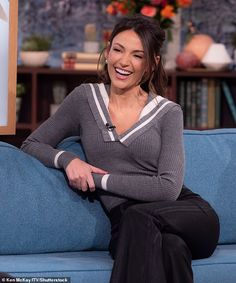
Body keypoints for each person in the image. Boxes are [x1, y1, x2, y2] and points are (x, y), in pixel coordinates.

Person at [21, 15, 220, 283]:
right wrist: (67, 160)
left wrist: (99, 179)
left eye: (137, 55)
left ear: (151, 64)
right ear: (108, 50)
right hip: (127, 225)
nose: (124, 62)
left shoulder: (167, 112)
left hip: (187, 214)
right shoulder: (85, 99)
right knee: (171, 248)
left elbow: (168, 188)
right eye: (118, 49)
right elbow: (31, 144)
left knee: (139, 216)